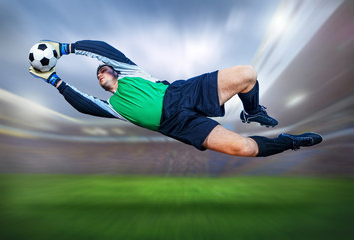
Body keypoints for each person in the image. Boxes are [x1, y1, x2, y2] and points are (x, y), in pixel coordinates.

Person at [29, 40, 322, 157]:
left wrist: (64, 48)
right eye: (98, 74)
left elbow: (104, 50)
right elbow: (83, 103)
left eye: (105, 69)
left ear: (115, 70)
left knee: (247, 74)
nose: (101, 72)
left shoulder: (132, 73)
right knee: (244, 149)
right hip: (177, 125)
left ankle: (253, 111)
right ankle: (291, 141)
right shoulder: (113, 107)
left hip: (180, 93)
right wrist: (54, 80)